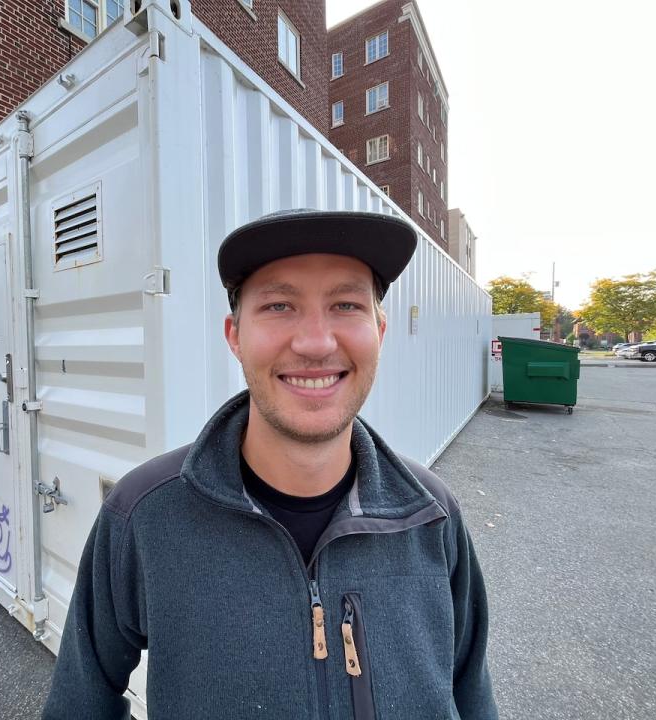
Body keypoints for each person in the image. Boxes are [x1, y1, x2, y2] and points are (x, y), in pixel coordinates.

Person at [44, 209, 498, 719]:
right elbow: (79, 704)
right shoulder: (144, 517)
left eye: (346, 304)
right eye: (280, 305)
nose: (315, 343)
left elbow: (472, 696)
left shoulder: (431, 514)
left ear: (381, 330)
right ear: (234, 335)